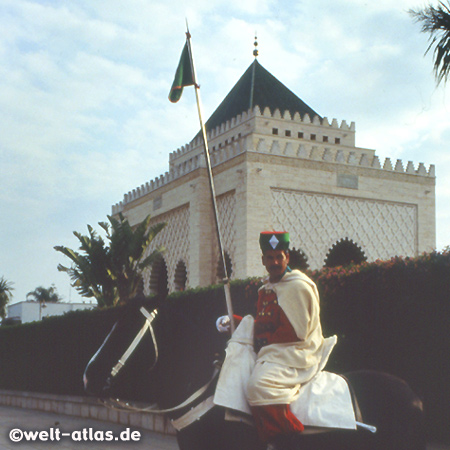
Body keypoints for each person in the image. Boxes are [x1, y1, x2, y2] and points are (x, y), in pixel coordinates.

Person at [217, 231, 324, 444]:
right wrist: (235, 321)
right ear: (263, 260)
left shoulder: (297, 286)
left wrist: (261, 341)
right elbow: (263, 323)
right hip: (274, 350)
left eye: (279, 256)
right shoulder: (267, 288)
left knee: (258, 385)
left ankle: (286, 436)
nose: (275, 262)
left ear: (287, 257)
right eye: (270, 257)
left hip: (296, 351)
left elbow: (296, 332)